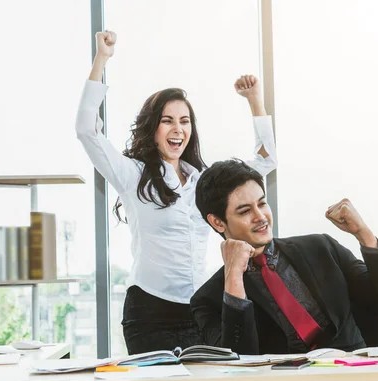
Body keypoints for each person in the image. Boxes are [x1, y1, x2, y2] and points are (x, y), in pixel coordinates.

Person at [75, 31, 277, 355]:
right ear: (152, 128)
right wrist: (102, 59)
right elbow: (86, 129)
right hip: (149, 314)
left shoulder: (205, 182)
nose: (177, 129)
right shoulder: (133, 175)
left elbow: (266, 160)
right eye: (167, 121)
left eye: (184, 121)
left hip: (201, 310)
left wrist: (255, 100)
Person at [190, 159, 378, 355]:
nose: (260, 217)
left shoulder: (320, 248)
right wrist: (234, 275)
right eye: (245, 211)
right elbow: (239, 362)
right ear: (218, 222)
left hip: (353, 379)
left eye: (262, 203)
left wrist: (363, 233)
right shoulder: (208, 300)